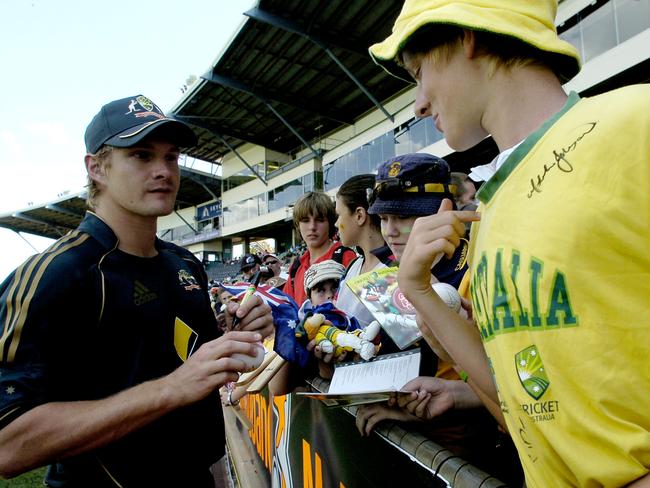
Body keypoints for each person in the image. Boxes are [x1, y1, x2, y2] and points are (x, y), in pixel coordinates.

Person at [370, 1, 650, 486]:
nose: (417, 103)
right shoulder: (490, 210)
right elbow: (516, 401)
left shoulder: (635, 121)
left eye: (419, 73)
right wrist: (414, 288)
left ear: (467, 36)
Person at [0, 95, 274, 487]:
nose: (163, 170)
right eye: (142, 156)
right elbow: (8, 445)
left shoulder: (184, 264)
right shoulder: (58, 274)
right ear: (96, 168)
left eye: (171, 157)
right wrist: (171, 388)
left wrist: (233, 330)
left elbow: (185, 365)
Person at [334, 174, 395, 329]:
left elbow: (400, 346)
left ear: (359, 215)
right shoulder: (354, 264)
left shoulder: (390, 271)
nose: (336, 223)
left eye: (339, 215)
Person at [282, 191, 357, 305]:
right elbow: (287, 309)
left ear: (330, 223)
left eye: (319, 220)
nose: (312, 227)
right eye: (306, 221)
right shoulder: (296, 267)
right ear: (298, 224)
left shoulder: (345, 257)